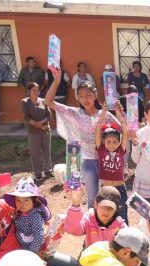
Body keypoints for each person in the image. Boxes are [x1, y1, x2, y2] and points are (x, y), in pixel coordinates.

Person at [46, 67, 117, 208]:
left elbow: (121, 129)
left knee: (109, 194)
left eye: (88, 95)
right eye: (81, 95)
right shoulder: (75, 113)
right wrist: (56, 81)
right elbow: (49, 102)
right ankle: (92, 225)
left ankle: (106, 223)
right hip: (86, 159)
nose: (85, 98)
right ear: (78, 97)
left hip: (106, 160)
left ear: (95, 95)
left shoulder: (105, 114)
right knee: (92, 195)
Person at [94, 106, 129, 223]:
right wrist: (103, 113)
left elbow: (125, 132)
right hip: (105, 189)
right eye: (108, 142)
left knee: (122, 214)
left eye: (115, 142)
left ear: (119, 142)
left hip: (120, 189)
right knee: (105, 216)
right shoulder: (101, 150)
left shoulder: (121, 150)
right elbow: (97, 129)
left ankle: (124, 237)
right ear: (103, 142)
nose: (111, 144)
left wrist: (120, 115)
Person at [3, 177, 50, 254]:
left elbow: (39, 237)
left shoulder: (35, 217)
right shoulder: (19, 213)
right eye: (18, 200)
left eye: (26, 200)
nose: (22, 204)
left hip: (34, 250)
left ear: (34, 201)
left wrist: (31, 253)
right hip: (23, 247)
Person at [21, 82, 52, 180]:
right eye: (34, 90)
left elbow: (49, 115)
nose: (36, 92)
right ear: (28, 91)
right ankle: (38, 173)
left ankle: (48, 171)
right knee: (35, 153)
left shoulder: (43, 101)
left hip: (45, 130)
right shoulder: (25, 102)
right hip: (33, 132)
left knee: (47, 151)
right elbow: (26, 117)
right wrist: (38, 125)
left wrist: (42, 123)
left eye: (37, 90)